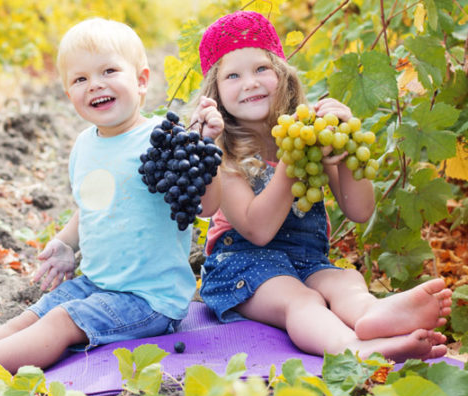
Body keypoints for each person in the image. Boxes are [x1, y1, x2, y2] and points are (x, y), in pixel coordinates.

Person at [0, 17, 221, 385]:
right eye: (80, 79)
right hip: (98, 284)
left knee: (60, 322)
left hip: (149, 300)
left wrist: (207, 147)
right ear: (69, 94)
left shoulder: (162, 140)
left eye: (108, 71)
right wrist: (67, 244)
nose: (95, 84)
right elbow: (93, 206)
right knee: (28, 319)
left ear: (142, 80)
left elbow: (206, 206)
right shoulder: (85, 145)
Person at [190, 10, 453, 363]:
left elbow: (359, 210)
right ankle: (353, 348)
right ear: (217, 94)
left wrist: (343, 151)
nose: (250, 82)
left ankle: (370, 317)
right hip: (242, 267)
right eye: (233, 75)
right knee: (300, 299)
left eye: (261, 69)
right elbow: (258, 230)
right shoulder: (224, 153)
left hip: (308, 261)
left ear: (283, 76)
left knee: (346, 283)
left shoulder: (311, 134)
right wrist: (290, 164)